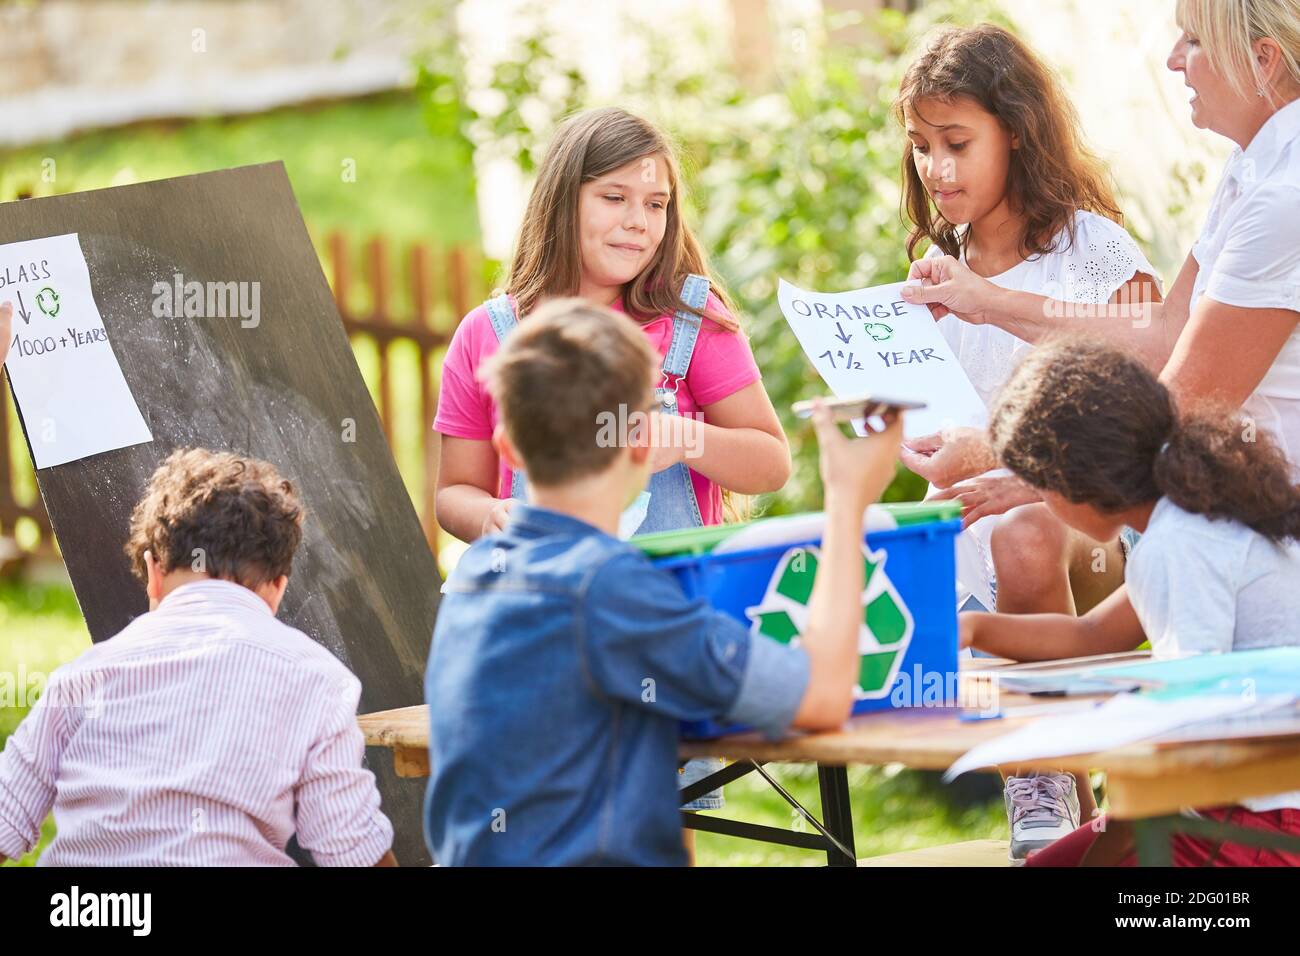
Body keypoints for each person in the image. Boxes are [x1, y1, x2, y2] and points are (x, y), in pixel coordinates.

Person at [424, 299, 903, 865]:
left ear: (506, 446)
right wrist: (848, 500)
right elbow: (822, 696)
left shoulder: (476, 574)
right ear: (643, 443)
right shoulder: (613, 590)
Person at [433, 106, 791, 832]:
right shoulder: (491, 333)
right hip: (543, 633)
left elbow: (770, 462)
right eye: (614, 198)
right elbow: (453, 493)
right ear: (564, 199)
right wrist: (491, 516)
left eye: (656, 204)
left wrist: (684, 438)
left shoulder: (691, 319)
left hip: (665, 626)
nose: (638, 221)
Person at [892, 23, 1164, 857]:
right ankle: (1042, 796)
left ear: (1015, 130)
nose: (936, 168)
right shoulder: (941, 263)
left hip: (1085, 519)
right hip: (968, 508)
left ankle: (1045, 774)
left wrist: (1009, 462)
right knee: (874, 545)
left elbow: (1157, 380)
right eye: (921, 147)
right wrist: (907, 436)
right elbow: (927, 410)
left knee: (1022, 528)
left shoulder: (1088, 250)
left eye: (956, 143)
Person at [962, 338, 1300, 866]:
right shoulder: (1194, 512)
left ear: (1076, 485)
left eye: (1041, 488)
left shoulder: (1178, 543)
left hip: (1262, 819)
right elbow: (1092, 635)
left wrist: (1109, 844)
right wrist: (975, 630)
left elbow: (1185, 729)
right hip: (1246, 801)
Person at [0, 448, 396, 866]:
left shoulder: (85, 678)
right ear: (277, 587)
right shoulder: (317, 681)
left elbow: (7, 813)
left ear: (153, 572)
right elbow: (352, 848)